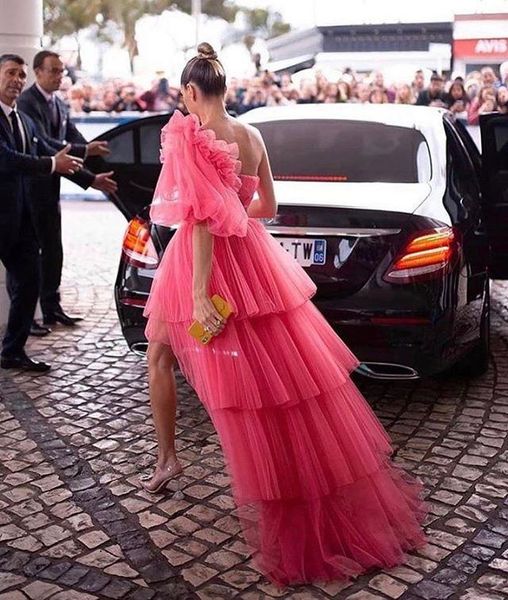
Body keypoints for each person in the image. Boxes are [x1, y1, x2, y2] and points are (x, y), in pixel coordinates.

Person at [141, 42, 427, 586]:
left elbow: (199, 221)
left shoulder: (192, 136)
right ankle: (296, 464)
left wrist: (201, 291)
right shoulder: (252, 136)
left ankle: (168, 460)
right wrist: (234, 214)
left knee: (162, 355)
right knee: (276, 371)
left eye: (184, 94)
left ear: (193, 93)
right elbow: (266, 207)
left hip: (202, 264)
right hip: (251, 254)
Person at [17, 50, 117, 333]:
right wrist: (89, 171)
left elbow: (74, 140)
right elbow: (46, 145)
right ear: (38, 71)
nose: (59, 75)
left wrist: (97, 164)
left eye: (61, 71)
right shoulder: (26, 103)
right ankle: (29, 316)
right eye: (53, 70)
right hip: (29, 191)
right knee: (31, 255)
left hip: (50, 190)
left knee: (53, 251)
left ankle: (51, 308)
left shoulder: (59, 105)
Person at [0, 54, 84, 371]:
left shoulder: (21, 118)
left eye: (21, 75)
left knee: (30, 279)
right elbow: (6, 159)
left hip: (18, 220)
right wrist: (51, 164)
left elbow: (49, 149)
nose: (17, 80)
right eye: (11, 73)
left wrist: (91, 178)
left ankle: (12, 351)